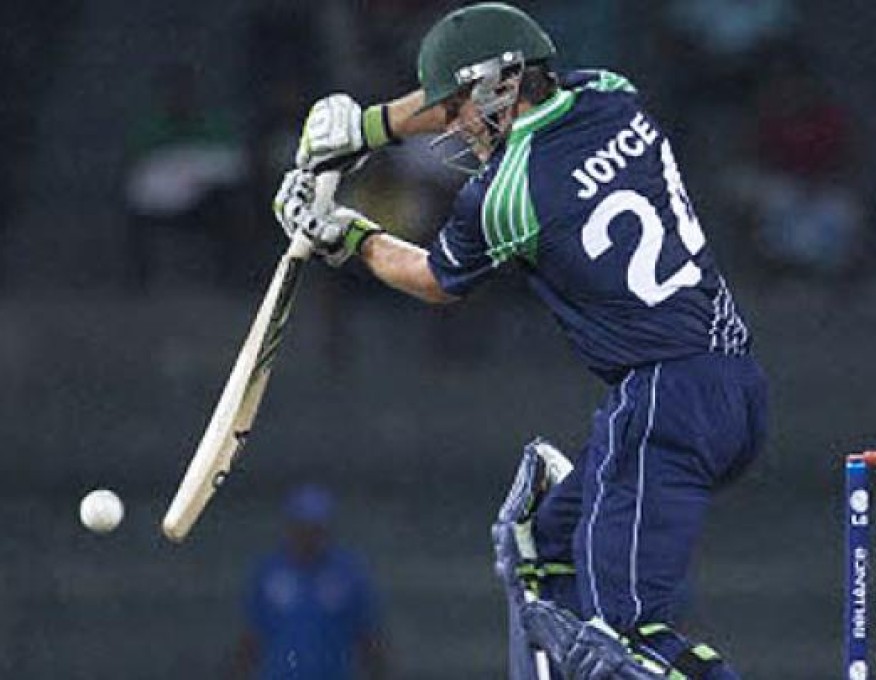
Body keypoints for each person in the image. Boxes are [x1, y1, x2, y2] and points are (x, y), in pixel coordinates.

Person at [272, 4, 768, 678]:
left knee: (621, 641)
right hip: (733, 381)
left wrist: (344, 234)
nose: (453, 126)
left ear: (497, 87)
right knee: (543, 545)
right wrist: (367, 128)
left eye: (457, 110)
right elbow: (468, 82)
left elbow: (433, 280)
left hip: (661, 402)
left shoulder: (506, 195)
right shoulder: (612, 96)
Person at [230, 484, 388, 680]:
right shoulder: (268, 574)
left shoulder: (348, 575)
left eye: (315, 529)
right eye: (302, 528)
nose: (308, 537)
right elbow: (251, 637)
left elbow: (368, 637)